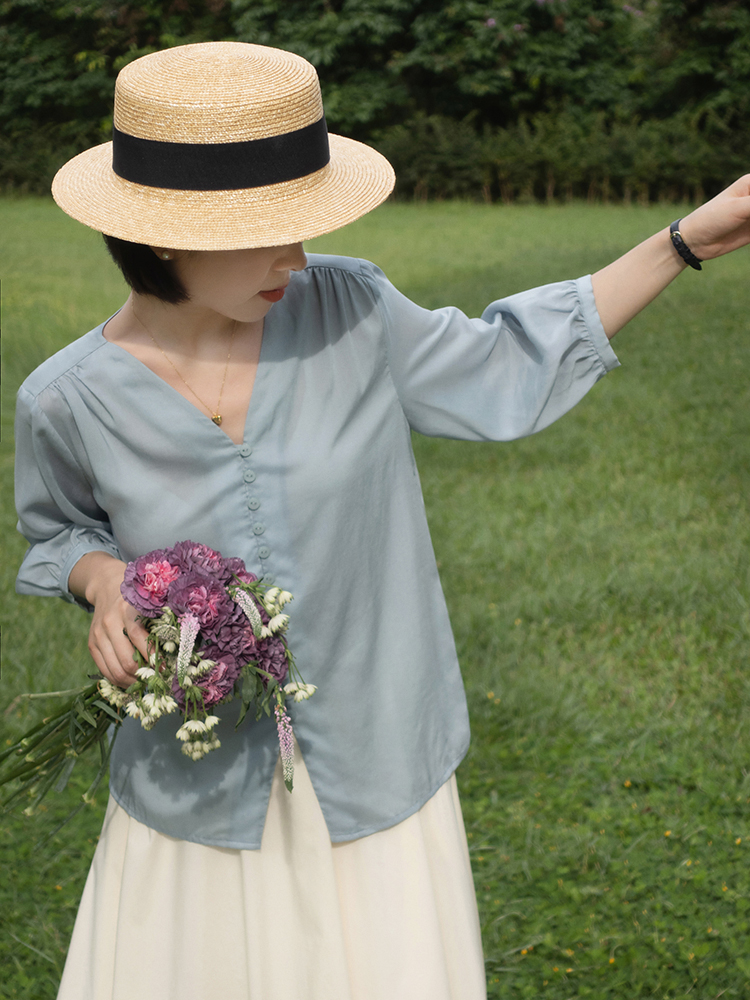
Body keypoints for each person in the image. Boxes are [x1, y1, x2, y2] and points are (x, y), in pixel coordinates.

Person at [13, 39, 750, 1000]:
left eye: (304, 223)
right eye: (268, 231)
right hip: (194, 797)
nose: (298, 255)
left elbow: (505, 364)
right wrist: (103, 581)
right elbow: (64, 529)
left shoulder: (351, 310)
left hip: (377, 757)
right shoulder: (66, 398)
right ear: (160, 234)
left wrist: (686, 240)